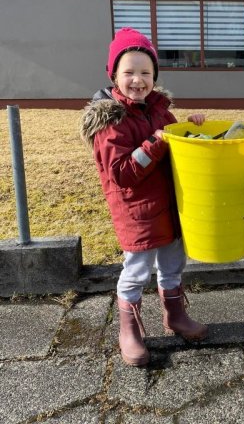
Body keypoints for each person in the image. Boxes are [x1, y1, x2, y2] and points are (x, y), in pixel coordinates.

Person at [80, 27, 208, 367]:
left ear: (155, 76)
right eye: (129, 72)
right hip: (137, 213)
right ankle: (130, 330)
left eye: (145, 72)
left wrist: (188, 129)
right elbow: (121, 173)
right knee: (136, 271)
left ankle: (175, 315)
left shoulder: (160, 110)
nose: (138, 80)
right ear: (114, 75)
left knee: (172, 265)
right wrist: (156, 142)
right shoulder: (110, 120)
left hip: (169, 208)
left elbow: (175, 146)